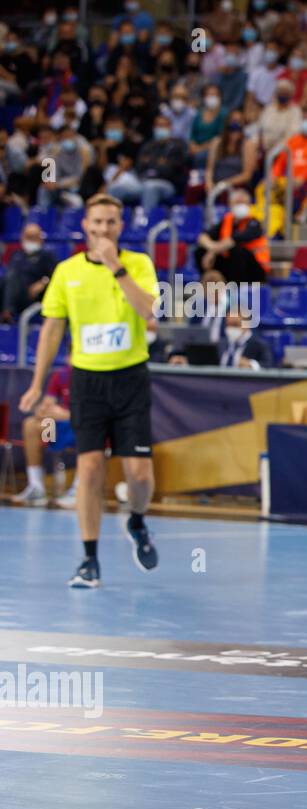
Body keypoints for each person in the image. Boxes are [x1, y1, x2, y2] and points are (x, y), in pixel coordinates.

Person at [18, 193, 160, 588]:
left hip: (130, 378)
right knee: (91, 467)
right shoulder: (66, 271)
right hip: (87, 381)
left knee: (139, 473)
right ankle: (89, 559)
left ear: (120, 226)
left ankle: (136, 520)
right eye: (96, 222)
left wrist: (117, 269)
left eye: (111, 223)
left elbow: (149, 311)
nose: (103, 229)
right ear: (85, 225)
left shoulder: (138, 264)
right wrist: (37, 383)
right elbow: (51, 330)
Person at [11, 363, 78, 508]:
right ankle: (37, 487)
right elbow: (48, 403)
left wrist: (68, 415)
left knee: (92, 428)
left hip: (84, 428)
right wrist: (43, 411)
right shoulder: (61, 375)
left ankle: (79, 490)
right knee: (31, 424)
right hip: (58, 431)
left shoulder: (95, 376)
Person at [194, 187, 269, 284]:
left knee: (236, 251)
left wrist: (213, 251)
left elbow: (235, 240)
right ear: (230, 205)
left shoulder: (255, 221)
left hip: (255, 268)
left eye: (243, 203)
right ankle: (209, 285)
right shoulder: (227, 220)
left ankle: (236, 289)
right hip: (232, 266)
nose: (240, 206)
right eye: (237, 203)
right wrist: (211, 249)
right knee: (200, 251)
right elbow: (202, 237)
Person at [2, 223, 57, 322]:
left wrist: (43, 282)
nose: (30, 240)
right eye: (28, 236)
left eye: (34, 237)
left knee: (11, 277)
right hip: (14, 294)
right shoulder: (16, 256)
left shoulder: (46, 256)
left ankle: (7, 312)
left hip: (33, 296)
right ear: (22, 237)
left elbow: (56, 277)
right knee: (7, 278)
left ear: (40, 238)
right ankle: (7, 310)